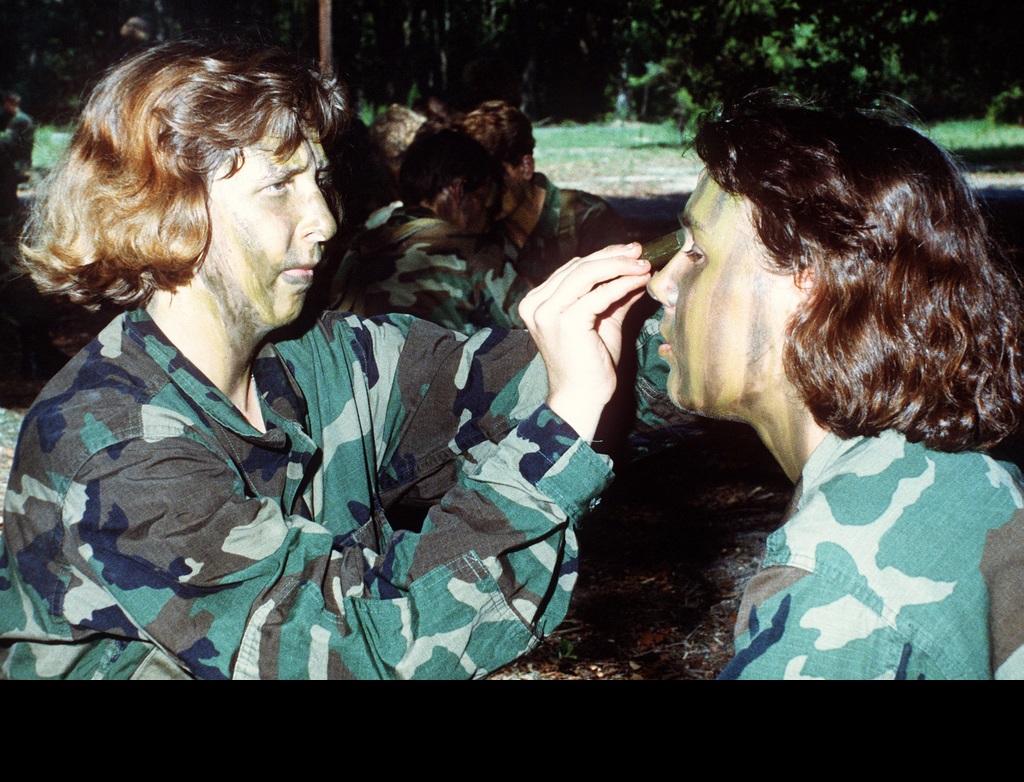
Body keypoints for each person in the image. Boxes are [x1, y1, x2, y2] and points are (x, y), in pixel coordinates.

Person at [0, 40, 657, 680]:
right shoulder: (114, 446)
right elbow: (362, 647)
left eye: (317, 179)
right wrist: (565, 425)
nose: (322, 217)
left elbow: (504, 380)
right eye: (280, 186)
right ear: (170, 210)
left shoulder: (315, 358)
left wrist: (665, 321)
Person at [646, 92, 1024, 680]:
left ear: (809, 286)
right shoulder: (964, 477)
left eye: (696, 252)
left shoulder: (837, 589)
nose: (662, 284)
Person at [333, 127, 530, 334]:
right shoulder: (474, 251)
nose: (487, 217)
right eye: (485, 200)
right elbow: (540, 329)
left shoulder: (358, 247)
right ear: (459, 189)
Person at [456, 100, 628, 285]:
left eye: (497, 179)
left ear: (526, 166)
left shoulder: (590, 218)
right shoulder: (478, 226)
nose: (486, 196)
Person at [0, 91, 34, 224]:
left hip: (17, 163)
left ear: (8, 103)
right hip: (18, 161)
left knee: (7, 188)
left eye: (4, 104)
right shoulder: (21, 118)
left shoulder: (19, 120)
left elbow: (7, 141)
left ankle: (11, 221)